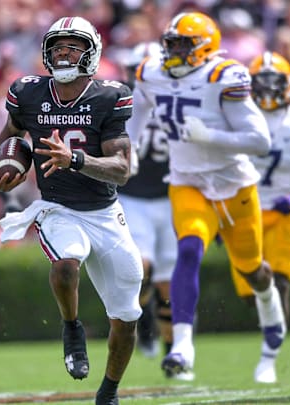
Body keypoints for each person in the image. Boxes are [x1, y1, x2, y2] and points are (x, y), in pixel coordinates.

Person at [0, 16, 143, 405]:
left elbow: (122, 170)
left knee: (127, 316)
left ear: (91, 52)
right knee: (66, 263)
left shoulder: (108, 96)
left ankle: (108, 391)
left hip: (105, 213)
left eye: (73, 45)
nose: (63, 52)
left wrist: (74, 159)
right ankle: (72, 328)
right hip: (57, 207)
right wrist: (3, 169)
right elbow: (10, 137)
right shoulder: (28, 92)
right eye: (57, 45)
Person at [127, 11, 286, 383]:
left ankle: (268, 301)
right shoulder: (151, 73)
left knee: (252, 270)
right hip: (187, 182)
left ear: (205, 47)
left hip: (234, 186)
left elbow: (260, 141)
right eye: (172, 44)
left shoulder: (221, 77)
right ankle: (182, 346)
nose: (175, 52)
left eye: (184, 45)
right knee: (187, 250)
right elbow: (135, 116)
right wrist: (129, 149)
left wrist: (210, 137)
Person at [228, 50, 290, 381]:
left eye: (275, 83)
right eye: (262, 82)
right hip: (245, 213)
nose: (268, 90)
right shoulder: (236, 116)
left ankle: (268, 358)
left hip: (283, 214)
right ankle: (269, 345)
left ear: (288, 85)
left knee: (280, 282)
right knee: (253, 293)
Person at [117, 42, 181, 370]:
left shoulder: (178, 97)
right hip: (132, 198)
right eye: (133, 71)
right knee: (141, 268)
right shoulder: (120, 103)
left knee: (168, 281)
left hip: (170, 198)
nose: (138, 78)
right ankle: (144, 325)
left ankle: (174, 352)